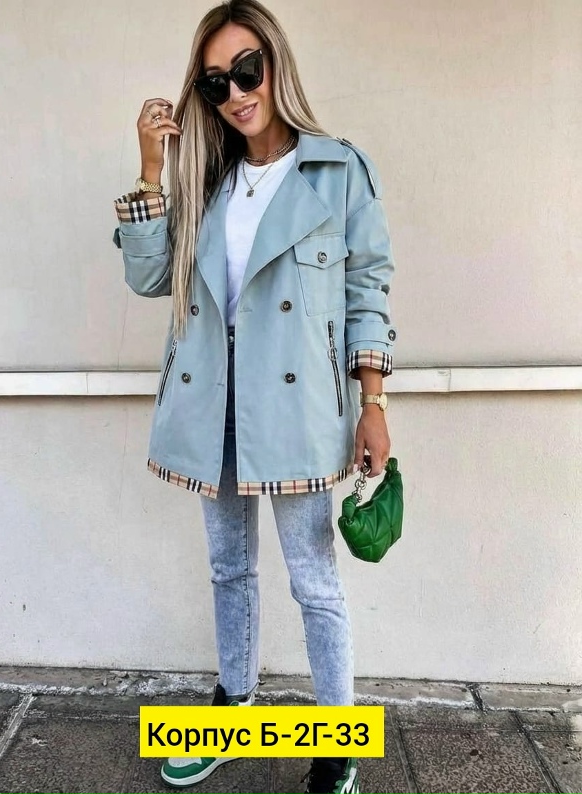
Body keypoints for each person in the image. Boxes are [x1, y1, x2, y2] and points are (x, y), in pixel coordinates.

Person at [113, 1, 396, 791]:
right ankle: (232, 712)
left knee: (314, 580)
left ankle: (337, 745)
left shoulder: (336, 170)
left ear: (275, 64)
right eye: (216, 83)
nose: (236, 93)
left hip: (297, 409)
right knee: (229, 567)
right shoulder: (207, 180)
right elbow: (149, 278)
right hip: (214, 405)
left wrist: (373, 402)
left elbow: (368, 286)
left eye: (247, 71)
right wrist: (150, 172)